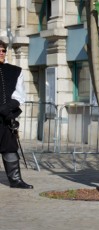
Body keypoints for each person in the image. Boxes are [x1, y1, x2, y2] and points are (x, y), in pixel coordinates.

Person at [0, 41, 32, 189]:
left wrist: (6, 108)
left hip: (6, 118)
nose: (1, 53)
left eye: (3, 50)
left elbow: (20, 96)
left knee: (10, 148)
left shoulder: (15, 71)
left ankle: (15, 180)